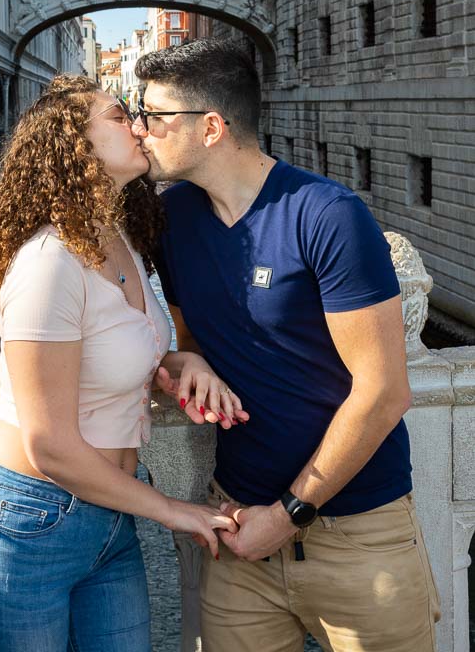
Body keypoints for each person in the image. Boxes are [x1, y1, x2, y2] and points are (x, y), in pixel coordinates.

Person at [133, 38, 441, 652]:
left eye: (154, 117)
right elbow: (183, 332)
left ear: (212, 126)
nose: (140, 130)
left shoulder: (327, 215)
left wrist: (289, 514)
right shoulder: (172, 221)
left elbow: (383, 391)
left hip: (358, 532)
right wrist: (182, 356)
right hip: (238, 531)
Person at [0, 74, 245, 652]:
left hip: (108, 518)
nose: (139, 126)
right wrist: (176, 511)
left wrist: (181, 361)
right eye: (120, 116)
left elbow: (114, 350)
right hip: (23, 526)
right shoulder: (49, 263)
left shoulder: (121, 238)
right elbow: (50, 445)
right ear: (74, 147)